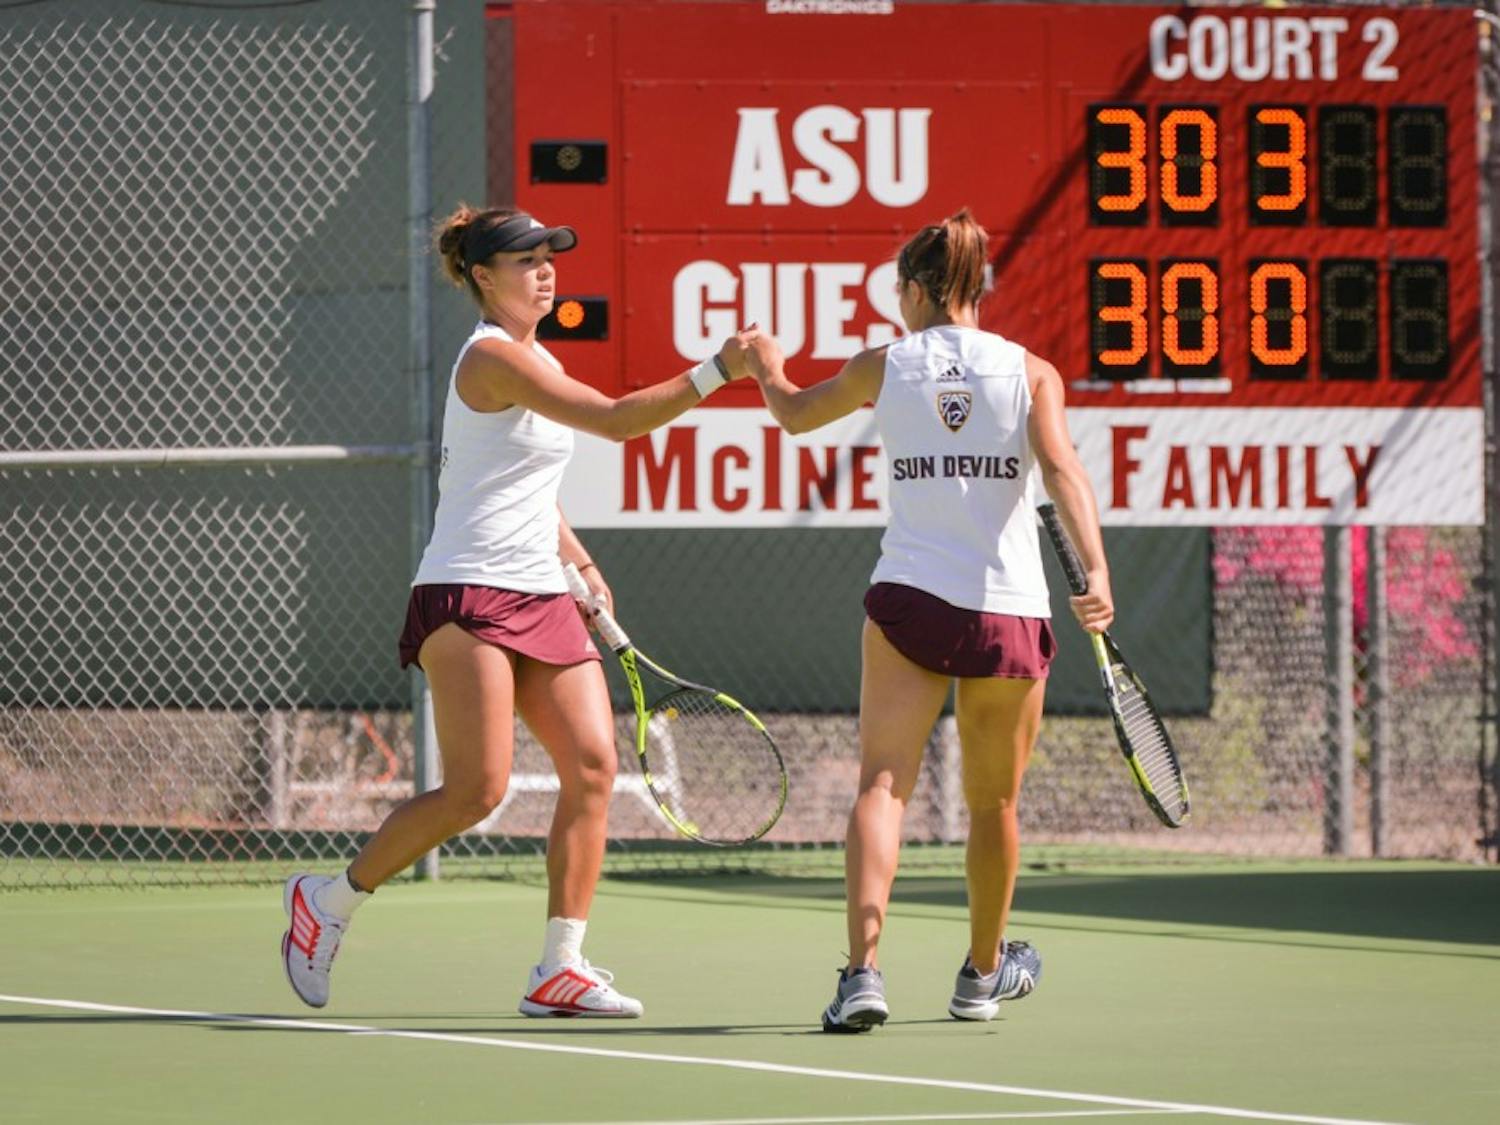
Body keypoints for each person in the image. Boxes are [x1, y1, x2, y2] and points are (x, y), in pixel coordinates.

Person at [280, 205, 750, 1017]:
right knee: (477, 790)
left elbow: (527, 486)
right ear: (482, 277)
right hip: (467, 592)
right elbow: (617, 421)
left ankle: (559, 966)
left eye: (550, 257)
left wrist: (581, 562)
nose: (545, 270)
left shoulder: (538, 355)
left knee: (594, 765)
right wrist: (720, 368)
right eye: (526, 260)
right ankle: (328, 900)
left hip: (542, 589)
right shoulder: (491, 358)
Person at [736, 208, 1112, 1032]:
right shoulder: (1032, 371)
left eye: (897, 291)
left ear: (913, 289)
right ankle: (982, 974)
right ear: (976, 289)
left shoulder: (885, 364)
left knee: (882, 784)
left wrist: (767, 366)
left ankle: (862, 975)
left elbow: (794, 414)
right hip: (1009, 612)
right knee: (995, 804)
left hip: (912, 601)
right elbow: (1064, 469)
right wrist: (1098, 569)